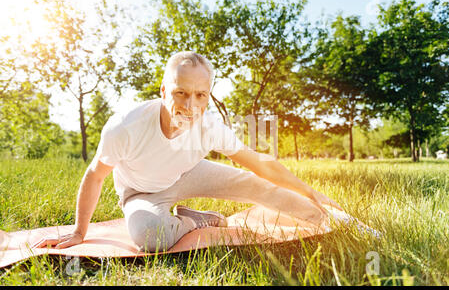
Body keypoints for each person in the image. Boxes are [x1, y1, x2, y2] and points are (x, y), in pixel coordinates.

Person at [33, 51, 346, 253]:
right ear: (163, 90)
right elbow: (95, 175)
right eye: (180, 93)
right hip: (141, 191)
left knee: (256, 185)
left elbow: (258, 163)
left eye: (200, 95)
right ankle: (195, 221)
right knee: (151, 238)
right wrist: (78, 231)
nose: (190, 105)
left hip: (189, 174)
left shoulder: (210, 125)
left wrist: (309, 191)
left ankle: (337, 221)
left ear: (208, 96)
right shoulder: (125, 127)